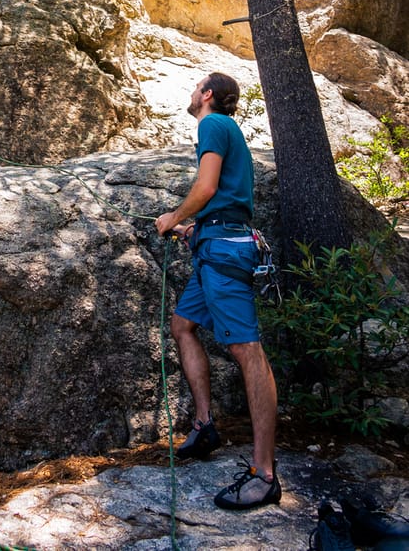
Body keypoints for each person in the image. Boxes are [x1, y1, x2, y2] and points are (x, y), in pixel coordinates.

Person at [155, 72, 281, 511]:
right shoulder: (226, 130)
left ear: (207, 94)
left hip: (224, 252)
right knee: (182, 325)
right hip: (215, 244)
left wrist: (174, 216)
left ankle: (264, 474)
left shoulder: (212, 124)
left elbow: (207, 186)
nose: (192, 93)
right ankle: (205, 424)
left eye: (195, 87)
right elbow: (222, 195)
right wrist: (197, 226)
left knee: (248, 352)